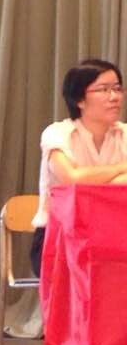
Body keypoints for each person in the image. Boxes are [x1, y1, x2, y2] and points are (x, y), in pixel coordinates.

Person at [30, 59, 127, 276]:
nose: (114, 97)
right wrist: (121, 168)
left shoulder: (125, 135)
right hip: (58, 237)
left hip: (113, 235)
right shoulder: (57, 133)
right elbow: (72, 178)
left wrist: (92, 182)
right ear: (80, 99)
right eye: (104, 89)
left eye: (117, 88)